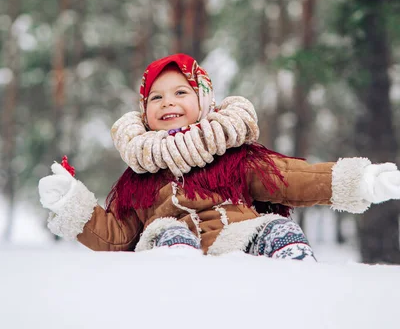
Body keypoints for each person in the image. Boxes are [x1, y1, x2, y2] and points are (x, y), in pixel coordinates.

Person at [39, 53, 400, 260]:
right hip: (171, 243)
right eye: (156, 97)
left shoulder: (234, 158)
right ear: (144, 112)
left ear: (204, 102)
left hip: (239, 239)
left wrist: (363, 181)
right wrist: (72, 202)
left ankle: (292, 287)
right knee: (166, 235)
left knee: (280, 230)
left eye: (181, 91)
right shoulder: (140, 177)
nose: (168, 103)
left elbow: (293, 178)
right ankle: (175, 286)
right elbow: (116, 236)